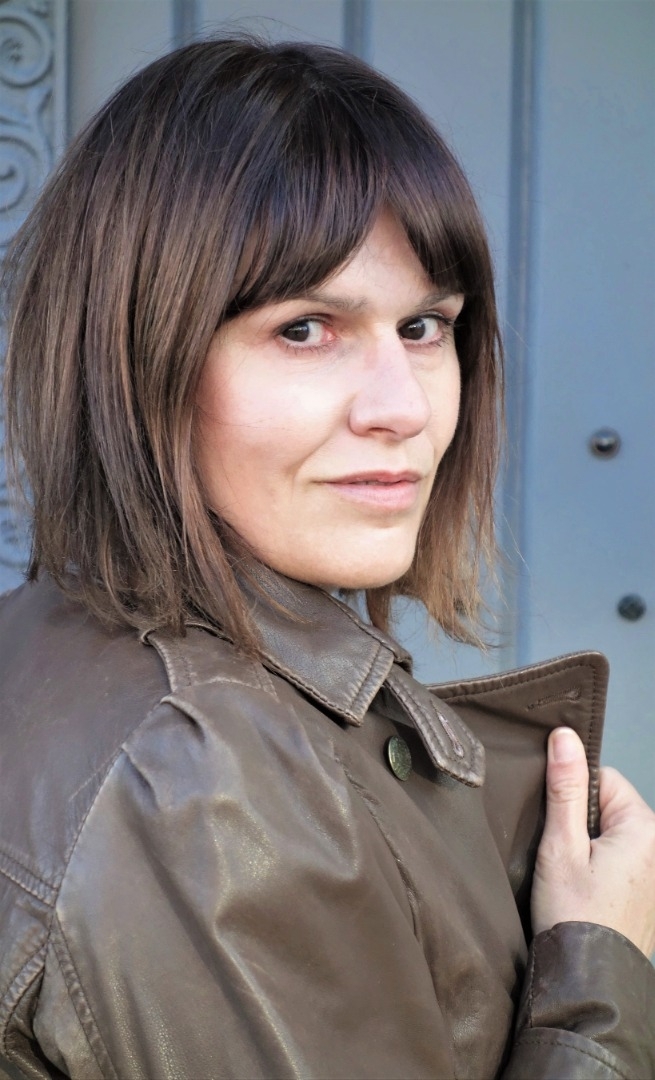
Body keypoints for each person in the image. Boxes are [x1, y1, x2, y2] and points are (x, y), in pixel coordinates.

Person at [0, 36, 653, 1080]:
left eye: (424, 325)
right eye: (305, 329)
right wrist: (599, 974)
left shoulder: (57, 635)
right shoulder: (201, 786)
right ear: (136, 356)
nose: (403, 408)